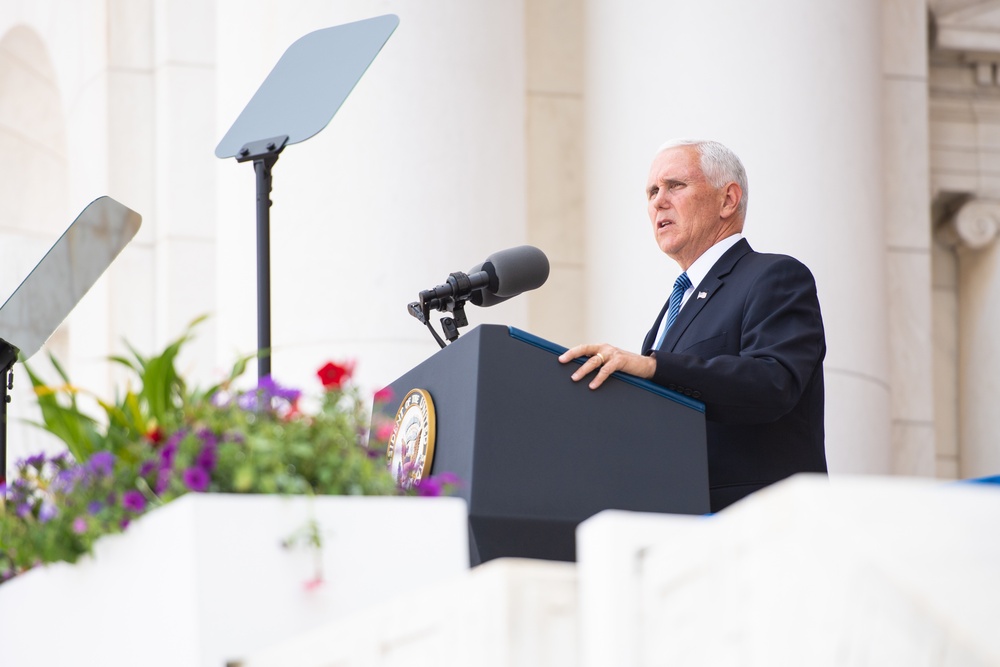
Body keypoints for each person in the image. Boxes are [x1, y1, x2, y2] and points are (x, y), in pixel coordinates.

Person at [558, 139, 827, 512]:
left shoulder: (775, 276)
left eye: (675, 186)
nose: (657, 201)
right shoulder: (675, 306)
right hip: (676, 523)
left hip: (757, 521)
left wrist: (653, 367)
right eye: (652, 191)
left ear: (728, 200)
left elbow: (773, 381)